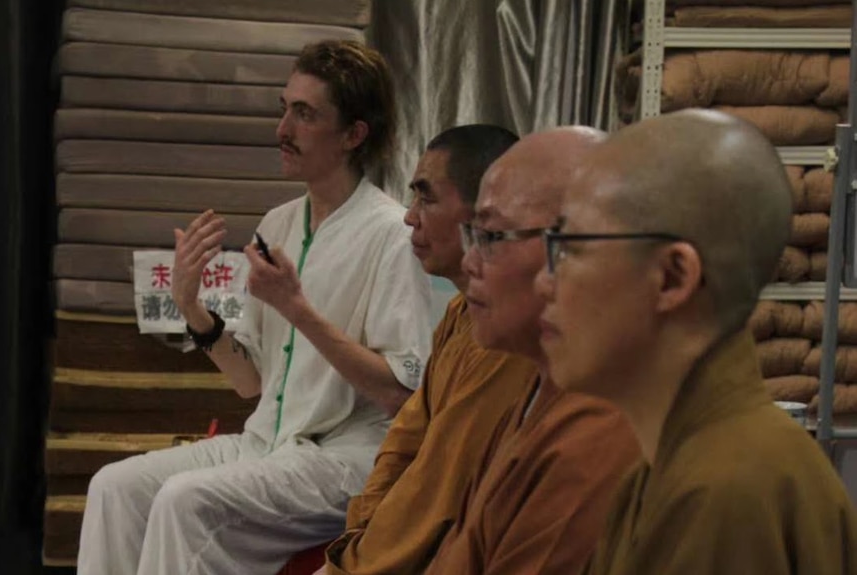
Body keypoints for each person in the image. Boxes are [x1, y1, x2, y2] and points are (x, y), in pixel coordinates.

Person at [76, 40, 433, 575]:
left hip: (343, 458)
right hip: (267, 440)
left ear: (354, 135)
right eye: (283, 108)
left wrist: (297, 309)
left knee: (184, 501)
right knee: (113, 487)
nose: (282, 130)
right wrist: (190, 307)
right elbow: (252, 384)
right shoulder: (279, 224)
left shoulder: (389, 235)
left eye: (304, 114)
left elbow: (401, 395)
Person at [537, 109, 857, 575]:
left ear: (673, 276)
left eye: (570, 248)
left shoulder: (729, 488)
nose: (544, 283)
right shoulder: (665, 467)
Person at [317, 124, 538, 575]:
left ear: (485, 214)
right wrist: (358, 538)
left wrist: (356, 562)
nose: (409, 217)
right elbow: (406, 440)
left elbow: (439, 486)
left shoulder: (509, 340)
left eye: (427, 198)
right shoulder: (461, 312)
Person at [422, 127, 640, 575]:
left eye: (493, 237)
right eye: (473, 235)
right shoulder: (536, 387)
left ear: (579, 247)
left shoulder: (598, 430)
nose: (469, 261)